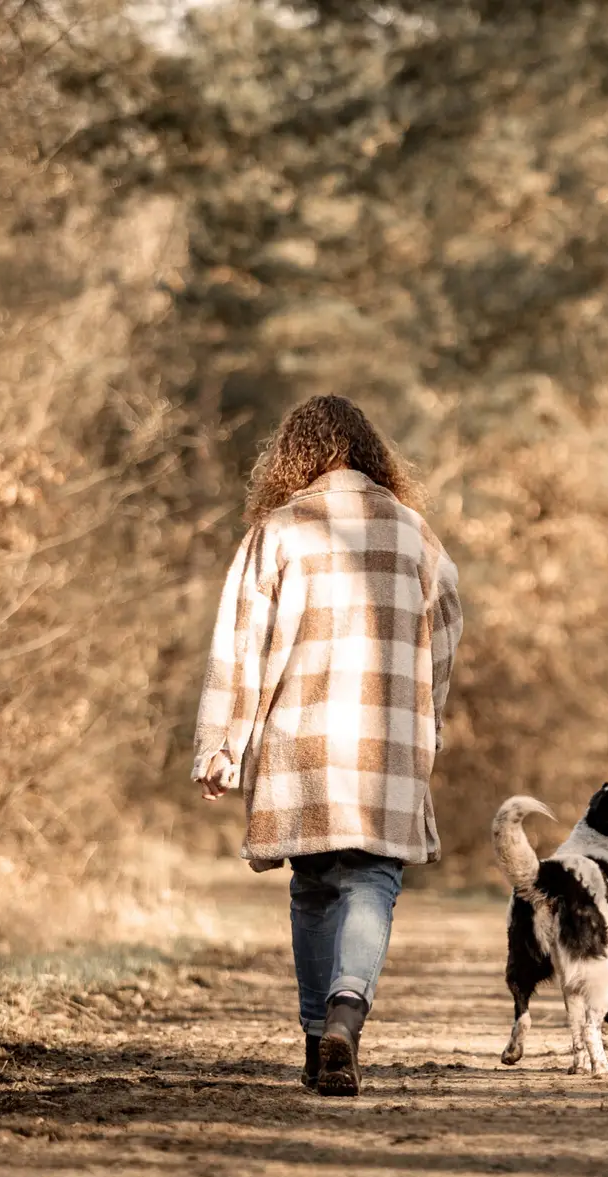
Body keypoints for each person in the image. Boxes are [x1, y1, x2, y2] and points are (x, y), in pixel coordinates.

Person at [192, 394, 462, 1097]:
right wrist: (428, 719)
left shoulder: (276, 532)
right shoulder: (416, 535)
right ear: (373, 453)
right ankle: (347, 1011)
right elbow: (447, 636)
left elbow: (239, 644)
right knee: (372, 878)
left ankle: (318, 1043)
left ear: (294, 456)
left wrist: (223, 742)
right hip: (384, 742)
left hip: (300, 741)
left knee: (313, 886)